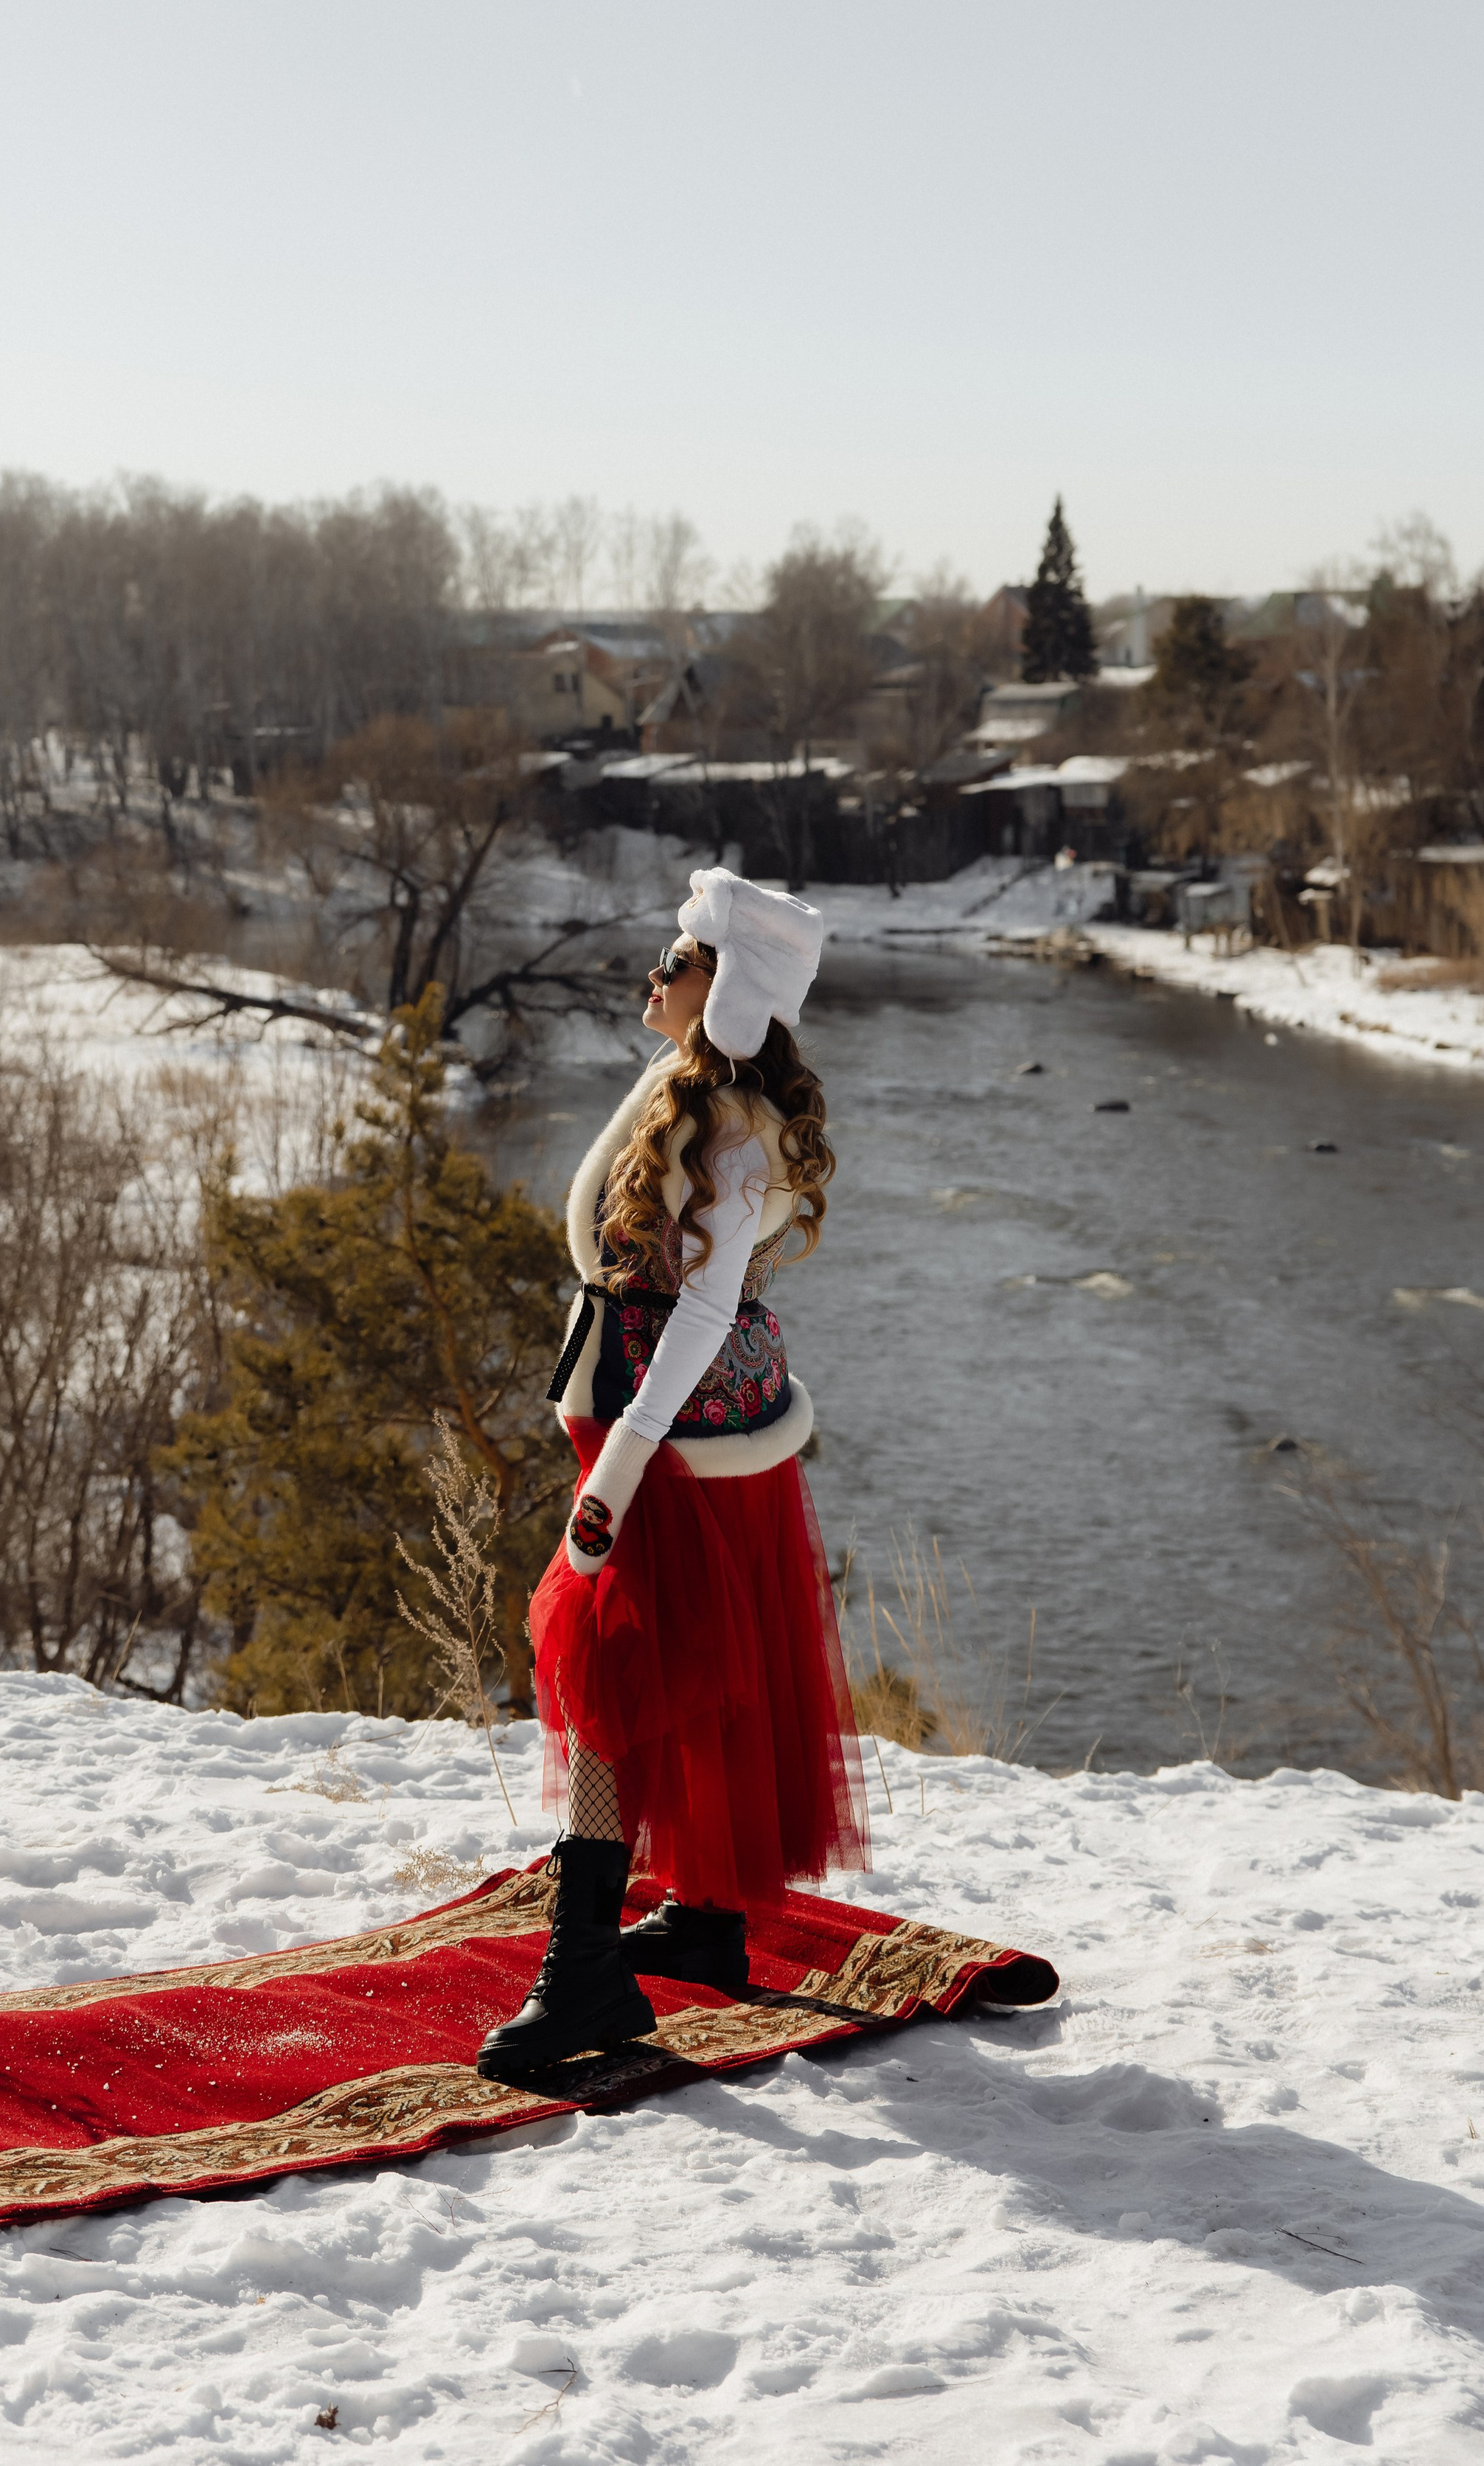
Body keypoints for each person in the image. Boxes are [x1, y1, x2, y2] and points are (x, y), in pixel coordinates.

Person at [479, 866, 868, 2080]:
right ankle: (702, 1919)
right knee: (694, 1660)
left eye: (677, 962)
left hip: (663, 1426)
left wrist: (621, 1472)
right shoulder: (693, 1091)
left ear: (725, 993)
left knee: (612, 1669)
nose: (653, 975)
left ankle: (583, 1975)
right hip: (674, 1416)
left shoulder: (724, 1126)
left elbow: (699, 1311)